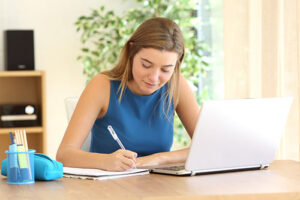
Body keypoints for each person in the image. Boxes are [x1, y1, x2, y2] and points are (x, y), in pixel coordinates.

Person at [56, 17, 200, 172]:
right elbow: (64, 154)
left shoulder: (176, 85)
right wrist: (106, 161)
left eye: (166, 69)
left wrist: (157, 159)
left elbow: (210, 146)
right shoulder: (102, 86)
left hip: (157, 188)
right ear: (131, 51)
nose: (154, 77)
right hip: (108, 188)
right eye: (146, 65)